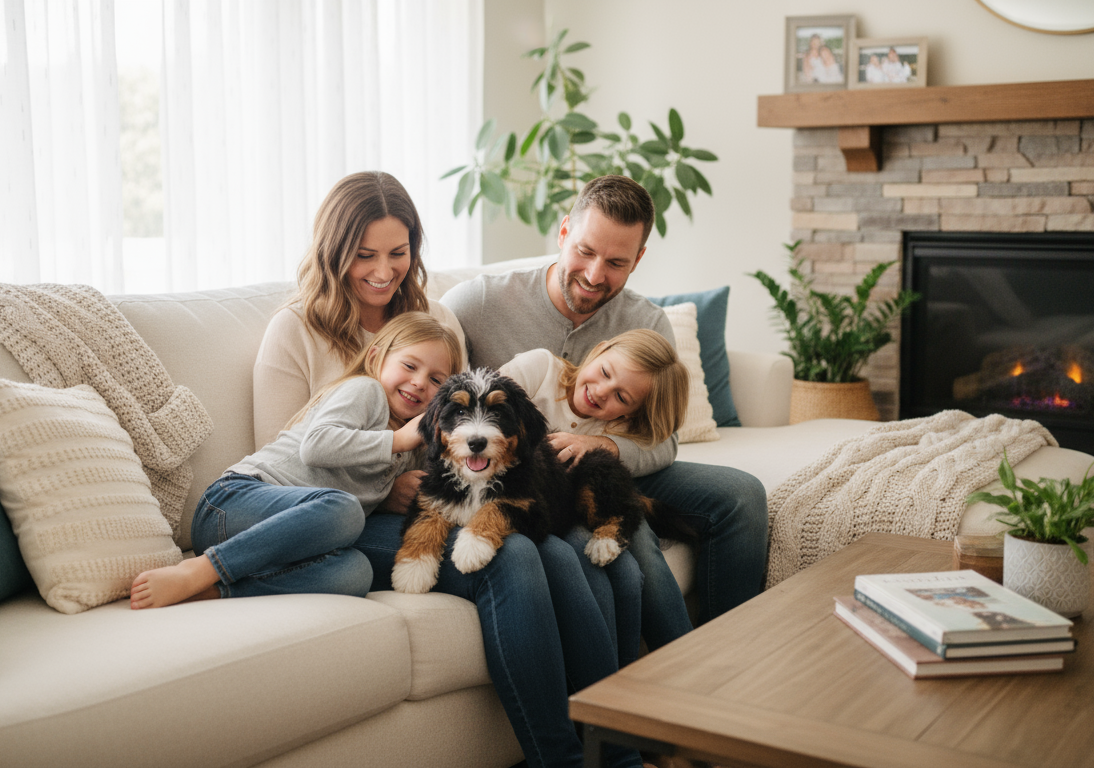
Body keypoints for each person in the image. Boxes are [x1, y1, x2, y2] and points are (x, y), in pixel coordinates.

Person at [252, 171, 647, 768]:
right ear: (333, 252)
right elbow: (289, 462)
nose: (383, 271)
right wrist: (388, 491)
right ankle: (562, 760)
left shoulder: (436, 316)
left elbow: (462, 415)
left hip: (444, 493)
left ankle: (620, 751)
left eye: (398, 252)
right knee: (512, 556)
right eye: (364, 255)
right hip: (353, 515)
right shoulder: (294, 331)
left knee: (564, 555)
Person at [441, 174, 770, 629]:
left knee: (741, 494)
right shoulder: (477, 303)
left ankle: (729, 648)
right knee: (638, 551)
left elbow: (664, 441)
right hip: (524, 481)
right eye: (585, 251)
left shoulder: (647, 322)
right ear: (563, 233)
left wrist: (609, 449)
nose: (596, 276)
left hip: (607, 465)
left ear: (638, 259)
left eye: (616, 262)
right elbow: (426, 386)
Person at [128, 311, 462, 609]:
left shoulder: (410, 448)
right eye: (409, 365)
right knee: (345, 511)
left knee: (356, 572)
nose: (419, 383)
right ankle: (199, 569)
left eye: (437, 380)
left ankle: (216, 590)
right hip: (231, 504)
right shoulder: (366, 392)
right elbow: (316, 446)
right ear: (377, 357)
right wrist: (399, 439)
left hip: (271, 542)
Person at [498, 328, 695, 666]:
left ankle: (632, 674)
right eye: (604, 372)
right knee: (587, 567)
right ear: (599, 350)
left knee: (630, 577)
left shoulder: (611, 432)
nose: (601, 392)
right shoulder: (539, 368)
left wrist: (603, 446)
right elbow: (482, 410)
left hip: (570, 511)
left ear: (630, 414)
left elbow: (661, 446)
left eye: (621, 397)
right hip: (521, 506)